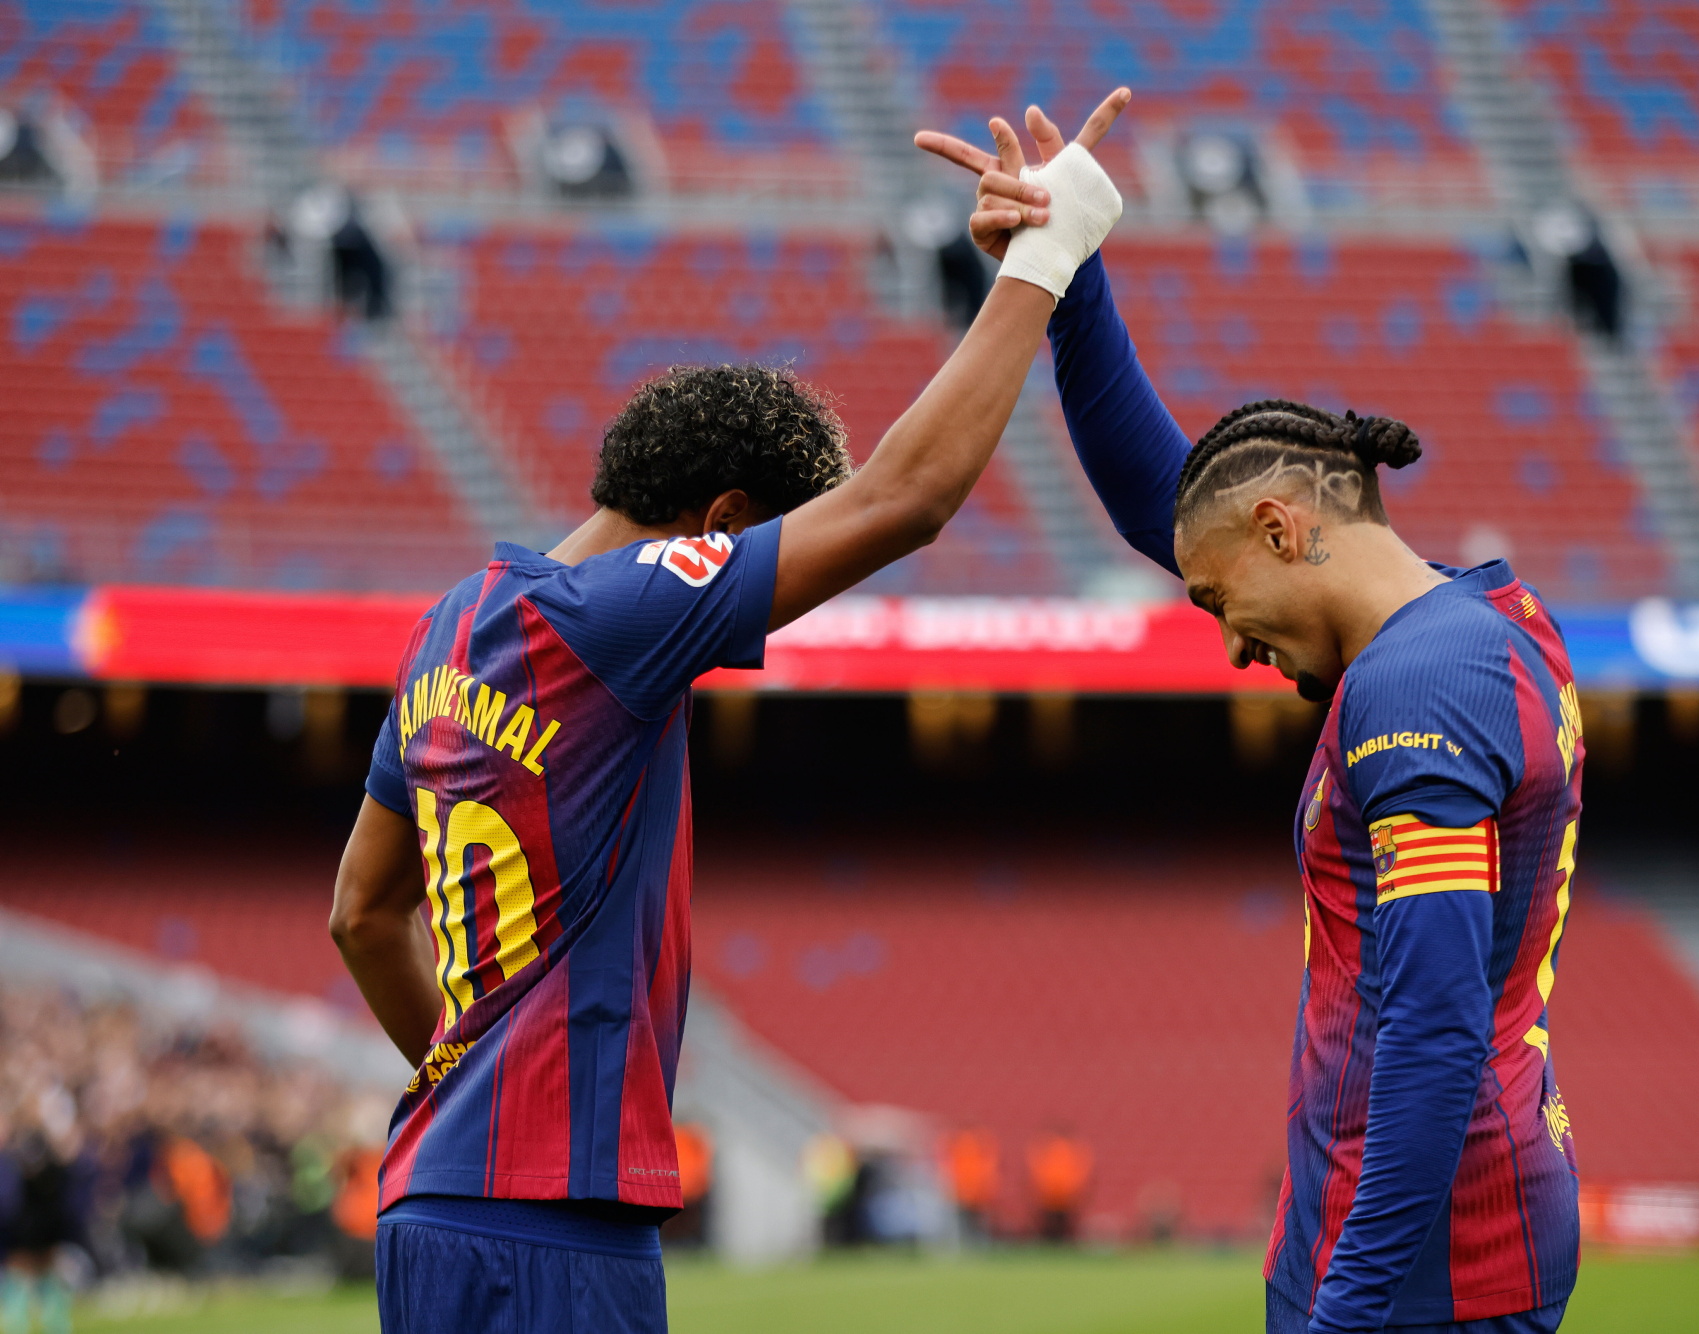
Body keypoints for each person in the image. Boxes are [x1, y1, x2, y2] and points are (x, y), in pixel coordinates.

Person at [328, 88, 1132, 1334]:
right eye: (768, 556)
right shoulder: (616, 615)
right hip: (559, 1233)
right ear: (718, 525)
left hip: (428, 1203)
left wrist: (468, 1073)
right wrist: (1048, 256)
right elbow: (903, 500)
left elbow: (360, 912)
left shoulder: (448, 624)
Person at [920, 110, 1584, 1334]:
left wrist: (1345, 1308)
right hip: (1432, 1231)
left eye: (1225, 600)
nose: (1227, 640)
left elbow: (1429, 1039)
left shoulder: (1414, 693)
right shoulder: (1478, 624)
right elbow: (1170, 507)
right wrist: (1062, 263)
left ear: (1286, 529)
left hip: (1425, 1268)